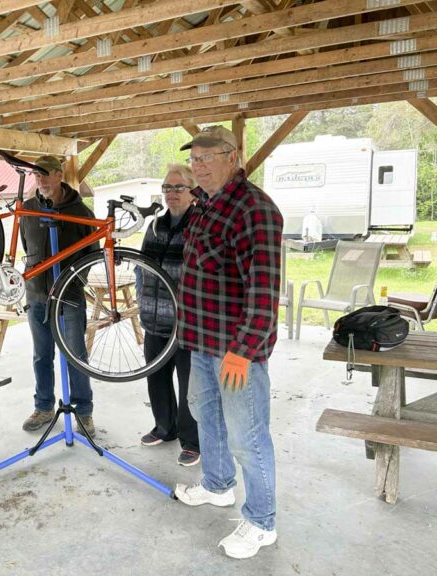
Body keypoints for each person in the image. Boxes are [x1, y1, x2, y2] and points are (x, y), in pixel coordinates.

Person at [173, 126, 283, 559]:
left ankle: (261, 521)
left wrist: (243, 350)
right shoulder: (206, 205)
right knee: (207, 417)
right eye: (194, 159)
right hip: (202, 341)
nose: (197, 166)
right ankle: (218, 485)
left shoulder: (253, 210)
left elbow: (263, 291)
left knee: (248, 437)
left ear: (232, 157)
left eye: (206, 157)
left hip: (236, 350)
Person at [19, 155, 98, 437]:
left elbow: (92, 253)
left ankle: (84, 411)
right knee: (42, 355)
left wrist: (74, 283)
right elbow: (27, 246)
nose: (40, 181)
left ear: (58, 175)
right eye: (36, 176)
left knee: (75, 354)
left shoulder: (81, 212)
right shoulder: (28, 209)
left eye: (45, 175)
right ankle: (44, 407)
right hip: (37, 295)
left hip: (69, 296)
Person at [137, 164, 201, 467]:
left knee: (189, 386)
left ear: (192, 191)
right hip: (154, 318)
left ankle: (192, 441)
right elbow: (141, 267)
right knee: (156, 377)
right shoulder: (153, 225)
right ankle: (165, 427)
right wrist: (142, 303)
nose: (171, 193)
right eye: (167, 188)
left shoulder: (201, 224)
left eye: (178, 187)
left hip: (187, 323)